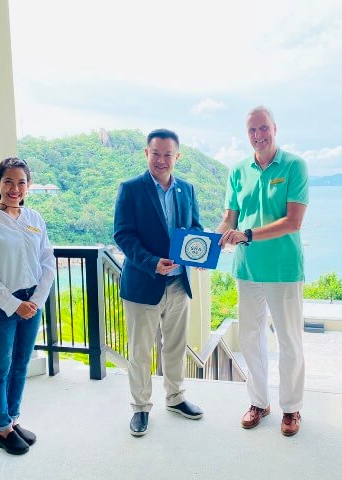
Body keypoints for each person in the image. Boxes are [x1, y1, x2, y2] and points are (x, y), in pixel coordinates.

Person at [218, 106, 308, 437]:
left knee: (289, 340)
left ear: (275, 128)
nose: (258, 135)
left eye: (263, 128)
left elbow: (293, 221)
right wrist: (216, 237)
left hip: (284, 268)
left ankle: (292, 408)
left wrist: (248, 234)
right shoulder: (238, 170)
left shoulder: (295, 166)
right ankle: (259, 402)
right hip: (247, 268)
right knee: (249, 338)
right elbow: (231, 217)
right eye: (252, 130)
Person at [114, 128, 204, 437]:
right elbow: (123, 235)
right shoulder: (130, 189)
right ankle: (140, 407)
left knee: (176, 347)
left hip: (179, 283)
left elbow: (195, 228)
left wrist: (198, 255)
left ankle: (176, 398)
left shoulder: (187, 190)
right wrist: (153, 263)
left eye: (168, 155)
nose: (162, 160)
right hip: (143, 284)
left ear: (177, 157)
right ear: (146, 154)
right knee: (140, 351)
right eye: (156, 154)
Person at [0, 157, 55, 455]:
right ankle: (2, 429)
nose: (14, 188)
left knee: (21, 364)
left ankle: (14, 420)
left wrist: (35, 301)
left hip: (32, 304)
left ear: (28, 186)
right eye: (8, 181)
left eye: (21, 182)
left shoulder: (34, 218)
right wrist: (13, 304)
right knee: (0, 368)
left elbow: (48, 262)